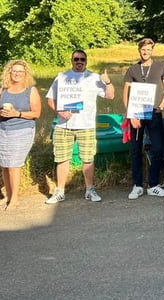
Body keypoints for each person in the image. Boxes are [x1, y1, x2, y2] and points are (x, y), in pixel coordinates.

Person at [45, 49, 115, 204]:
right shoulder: (62, 77)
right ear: (72, 60)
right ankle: (59, 191)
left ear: (86, 61)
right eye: (76, 59)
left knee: (88, 159)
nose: (79, 62)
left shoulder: (94, 77)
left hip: (87, 125)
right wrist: (60, 112)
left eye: (82, 59)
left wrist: (108, 82)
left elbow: (110, 96)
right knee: (62, 159)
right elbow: (50, 99)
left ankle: (90, 190)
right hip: (64, 126)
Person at [122, 38, 164, 200]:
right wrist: (131, 114)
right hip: (136, 115)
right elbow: (125, 94)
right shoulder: (133, 69)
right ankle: (137, 185)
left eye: (149, 50)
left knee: (157, 149)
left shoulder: (161, 67)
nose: (146, 52)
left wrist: (163, 104)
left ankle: (153, 185)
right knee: (136, 150)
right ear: (139, 50)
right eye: (143, 50)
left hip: (154, 114)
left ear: (152, 50)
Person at [0, 60, 42, 210]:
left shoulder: (31, 91)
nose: (17, 74)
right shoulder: (3, 89)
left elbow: (36, 113)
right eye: (14, 71)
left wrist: (16, 114)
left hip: (22, 131)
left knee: (13, 165)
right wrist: (0, 112)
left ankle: (15, 200)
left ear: (26, 74)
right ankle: (8, 195)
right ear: (9, 73)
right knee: (5, 165)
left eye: (20, 71)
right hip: (1, 129)